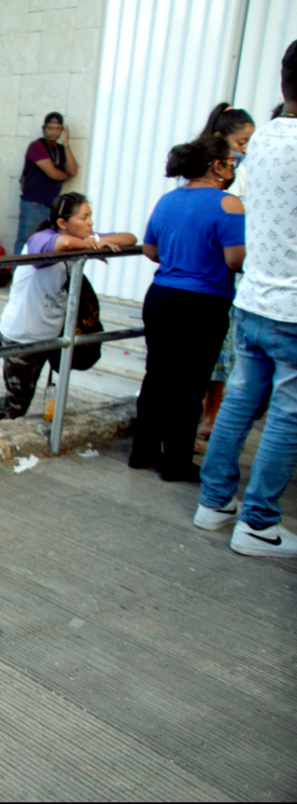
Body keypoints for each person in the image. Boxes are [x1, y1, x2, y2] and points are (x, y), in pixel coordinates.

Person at [194, 40, 297, 555]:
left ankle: (214, 502)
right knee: (286, 414)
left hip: (253, 299)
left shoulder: (265, 142)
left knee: (239, 400)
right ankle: (257, 523)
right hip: (292, 309)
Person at [130, 137, 246, 482]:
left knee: (158, 375)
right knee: (190, 384)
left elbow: (150, 249)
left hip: (162, 296)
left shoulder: (168, 200)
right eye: (230, 160)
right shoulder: (229, 204)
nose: (233, 166)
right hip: (203, 302)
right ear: (216, 166)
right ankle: (176, 461)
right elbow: (235, 259)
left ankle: (143, 451)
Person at [0, 193, 135, 424]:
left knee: (30, 397)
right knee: (16, 404)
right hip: (23, 336)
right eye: (84, 217)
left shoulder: (84, 238)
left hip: (49, 335)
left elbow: (130, 237)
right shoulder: (41, 239)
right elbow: (65, 244)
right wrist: (91, 245)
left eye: (90, 216)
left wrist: (96, 242)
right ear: (62, 223)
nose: (90, 223)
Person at [195, 104, 256, 447]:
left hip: (225, 283)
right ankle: (199, 418)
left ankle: (209, 417)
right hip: (213, 275)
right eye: (240, 143)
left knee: (223, 352)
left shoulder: (242, 176)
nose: (244, 151)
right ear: (221, 141)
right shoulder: (211, 186)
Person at [16, 112, 79, 254]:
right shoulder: (36, 146)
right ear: (43, 128)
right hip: (33, 204)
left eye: (57, 129)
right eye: (50, 128)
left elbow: (73, 170)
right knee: (26, 241)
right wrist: (65, 174)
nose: (53, 132)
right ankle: (17, 275)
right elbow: (54, 174)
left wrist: (67, 144)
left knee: (45, 243)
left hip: (51, 206)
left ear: (62, 130)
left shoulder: (60, 150)